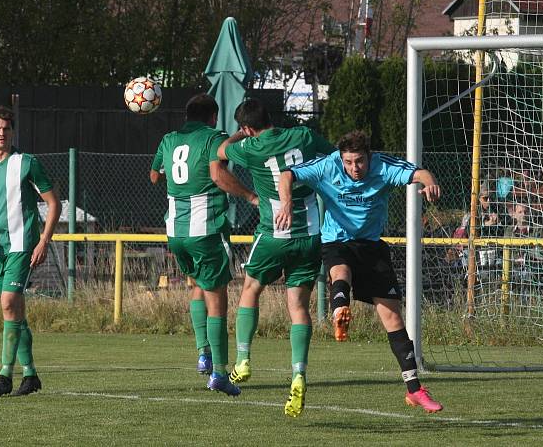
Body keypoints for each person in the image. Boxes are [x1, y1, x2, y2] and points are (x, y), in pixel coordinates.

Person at [275, 129, 444, 414]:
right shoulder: (328, 165)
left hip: (371, 246)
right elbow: (286, 175)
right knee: (340, 273)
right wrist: (287, 202)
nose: (354, 168)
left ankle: (415, 390)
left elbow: (419, 173)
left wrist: (431, 183)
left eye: (360, 162)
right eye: (349, 162)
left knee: (392, 317)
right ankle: (340, 308)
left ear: (369, 157)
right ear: (341, 159)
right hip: (337, 241)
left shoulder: (383, 166)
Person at [215, 98, 334, 417]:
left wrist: (239, 135)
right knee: (298, 306)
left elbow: (221, 153)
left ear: (249, 128)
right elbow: (334, 155)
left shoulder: (249, 147)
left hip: (273, 234)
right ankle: (298, 374)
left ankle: (242, 360)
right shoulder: (304, 136)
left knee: (250, 289)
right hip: (309, 235)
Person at [149, 93, 256, 396]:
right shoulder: (213, 137)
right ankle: (220, 373)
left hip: (176, 231)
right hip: (205, 227)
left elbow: (155, 176)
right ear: (212, 117)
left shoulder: (170, 139)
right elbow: (218, 173)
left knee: (199, 285)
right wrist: (249, 196)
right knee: (218, 297)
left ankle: (202, 353)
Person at [0, 106, 60, 397]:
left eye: (6, 128)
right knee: (15, 310)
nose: (1, 133)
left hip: (23, 244)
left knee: (7, 303)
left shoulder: (27, 163)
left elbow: (53, 203)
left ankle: (5, 375)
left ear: (12, 132)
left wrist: (43, 241)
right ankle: (30, 376)